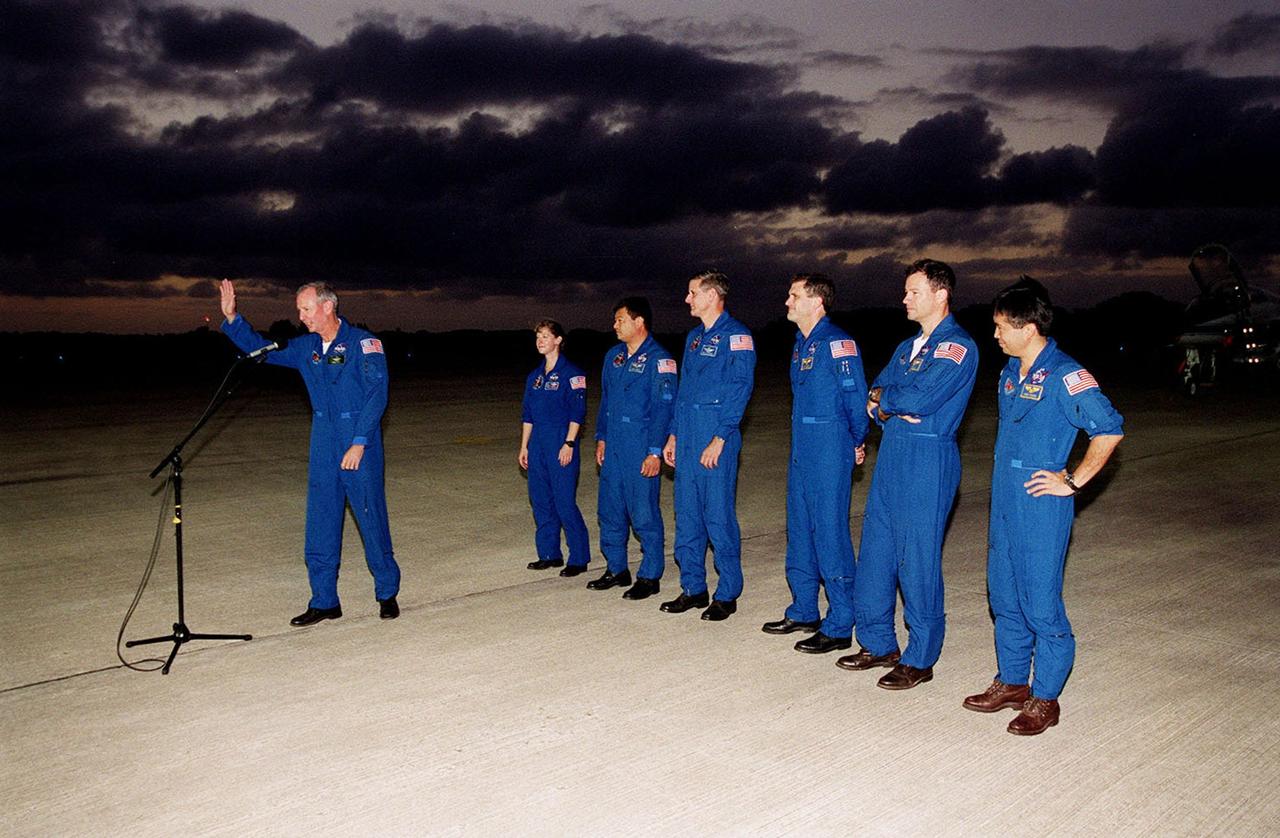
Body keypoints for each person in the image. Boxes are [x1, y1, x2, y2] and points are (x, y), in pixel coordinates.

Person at [963, 277, 1123, 736]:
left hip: (1040, 505)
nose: (994, 335)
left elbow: (1109, 429)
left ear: (1028, 327)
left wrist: (1071, 480)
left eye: (1000, 327)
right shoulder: (1010, 372)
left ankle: (1045, 698)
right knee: (1004, 596)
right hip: (1004, 501)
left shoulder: (1066, 374)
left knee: (1040, 603)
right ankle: (1012, 682)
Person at [218, 279, 401, 626]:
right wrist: (232, 320)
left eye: (305, 309)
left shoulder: (364, 343)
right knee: (320, 521)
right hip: (323, 441)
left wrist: (360, 442)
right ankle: (324, 600)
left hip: (357, 441)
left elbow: (377, 393)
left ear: (327, 306)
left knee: (370, 517)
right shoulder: (307, 347)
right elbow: (262, 351)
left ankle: (387, 592)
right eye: (299, 310)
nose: (301, 317)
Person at [839, 258, 978, 688]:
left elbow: (921, 399)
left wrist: (890, 400)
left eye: (913, 291)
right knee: (877, 551)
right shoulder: (906, 348)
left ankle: (920, 657)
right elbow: (873, 395)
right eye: (905, 291)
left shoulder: (958, 347)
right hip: (894, 454)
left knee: (916, 560)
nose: (905, 298)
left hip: (928, 459)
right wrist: (887, 403)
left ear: (941, 294)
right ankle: (879, 642)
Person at [762, 274, 869, 653]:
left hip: (829, 446)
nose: (787, 302)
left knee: (829, 531)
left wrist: (857, 440)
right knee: (800, 528)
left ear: (817, 302)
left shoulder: (837, 343)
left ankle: (840, 622)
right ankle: (804, 608)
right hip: (802, 448)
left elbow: (855, 397)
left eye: (794, 295)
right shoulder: (800, 343)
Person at [660, 271, 756, 621]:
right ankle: (693, 588)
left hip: (715, 435)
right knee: (686, 515)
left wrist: (721, 437)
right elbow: (683, 392)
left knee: (717, 516)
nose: (687, 299)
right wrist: (672, 434)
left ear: (713, 295)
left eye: (692, 293)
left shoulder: (738, 337)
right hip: (687, 433)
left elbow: (739, 389)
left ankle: (727, 592)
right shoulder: (694, 339)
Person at [589, 298, 679, 599]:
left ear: (639, 322)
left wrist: (655, 451)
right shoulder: (613, 357)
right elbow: (606, 401)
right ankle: (616, 569)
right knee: (610, 511)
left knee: (643, 514)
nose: (615, 325)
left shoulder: (660, 360)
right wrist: (601, 437)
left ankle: (650, 575)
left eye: (620, 319)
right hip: (613, 445)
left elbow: (664, 409)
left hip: (640, 447)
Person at [518, 320, 591, 576]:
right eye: (538, 336)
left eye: (546, 336)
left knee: (564, 503)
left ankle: (579, 558)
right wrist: (524, 447)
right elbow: (527, 414)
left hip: (561, 443)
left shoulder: (573, 374)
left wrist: (569, 443)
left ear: (558, 340)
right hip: (537, 445)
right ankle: (549, 554)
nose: (540, 341)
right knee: (541, 501)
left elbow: (578, 412)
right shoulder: (534, 378)